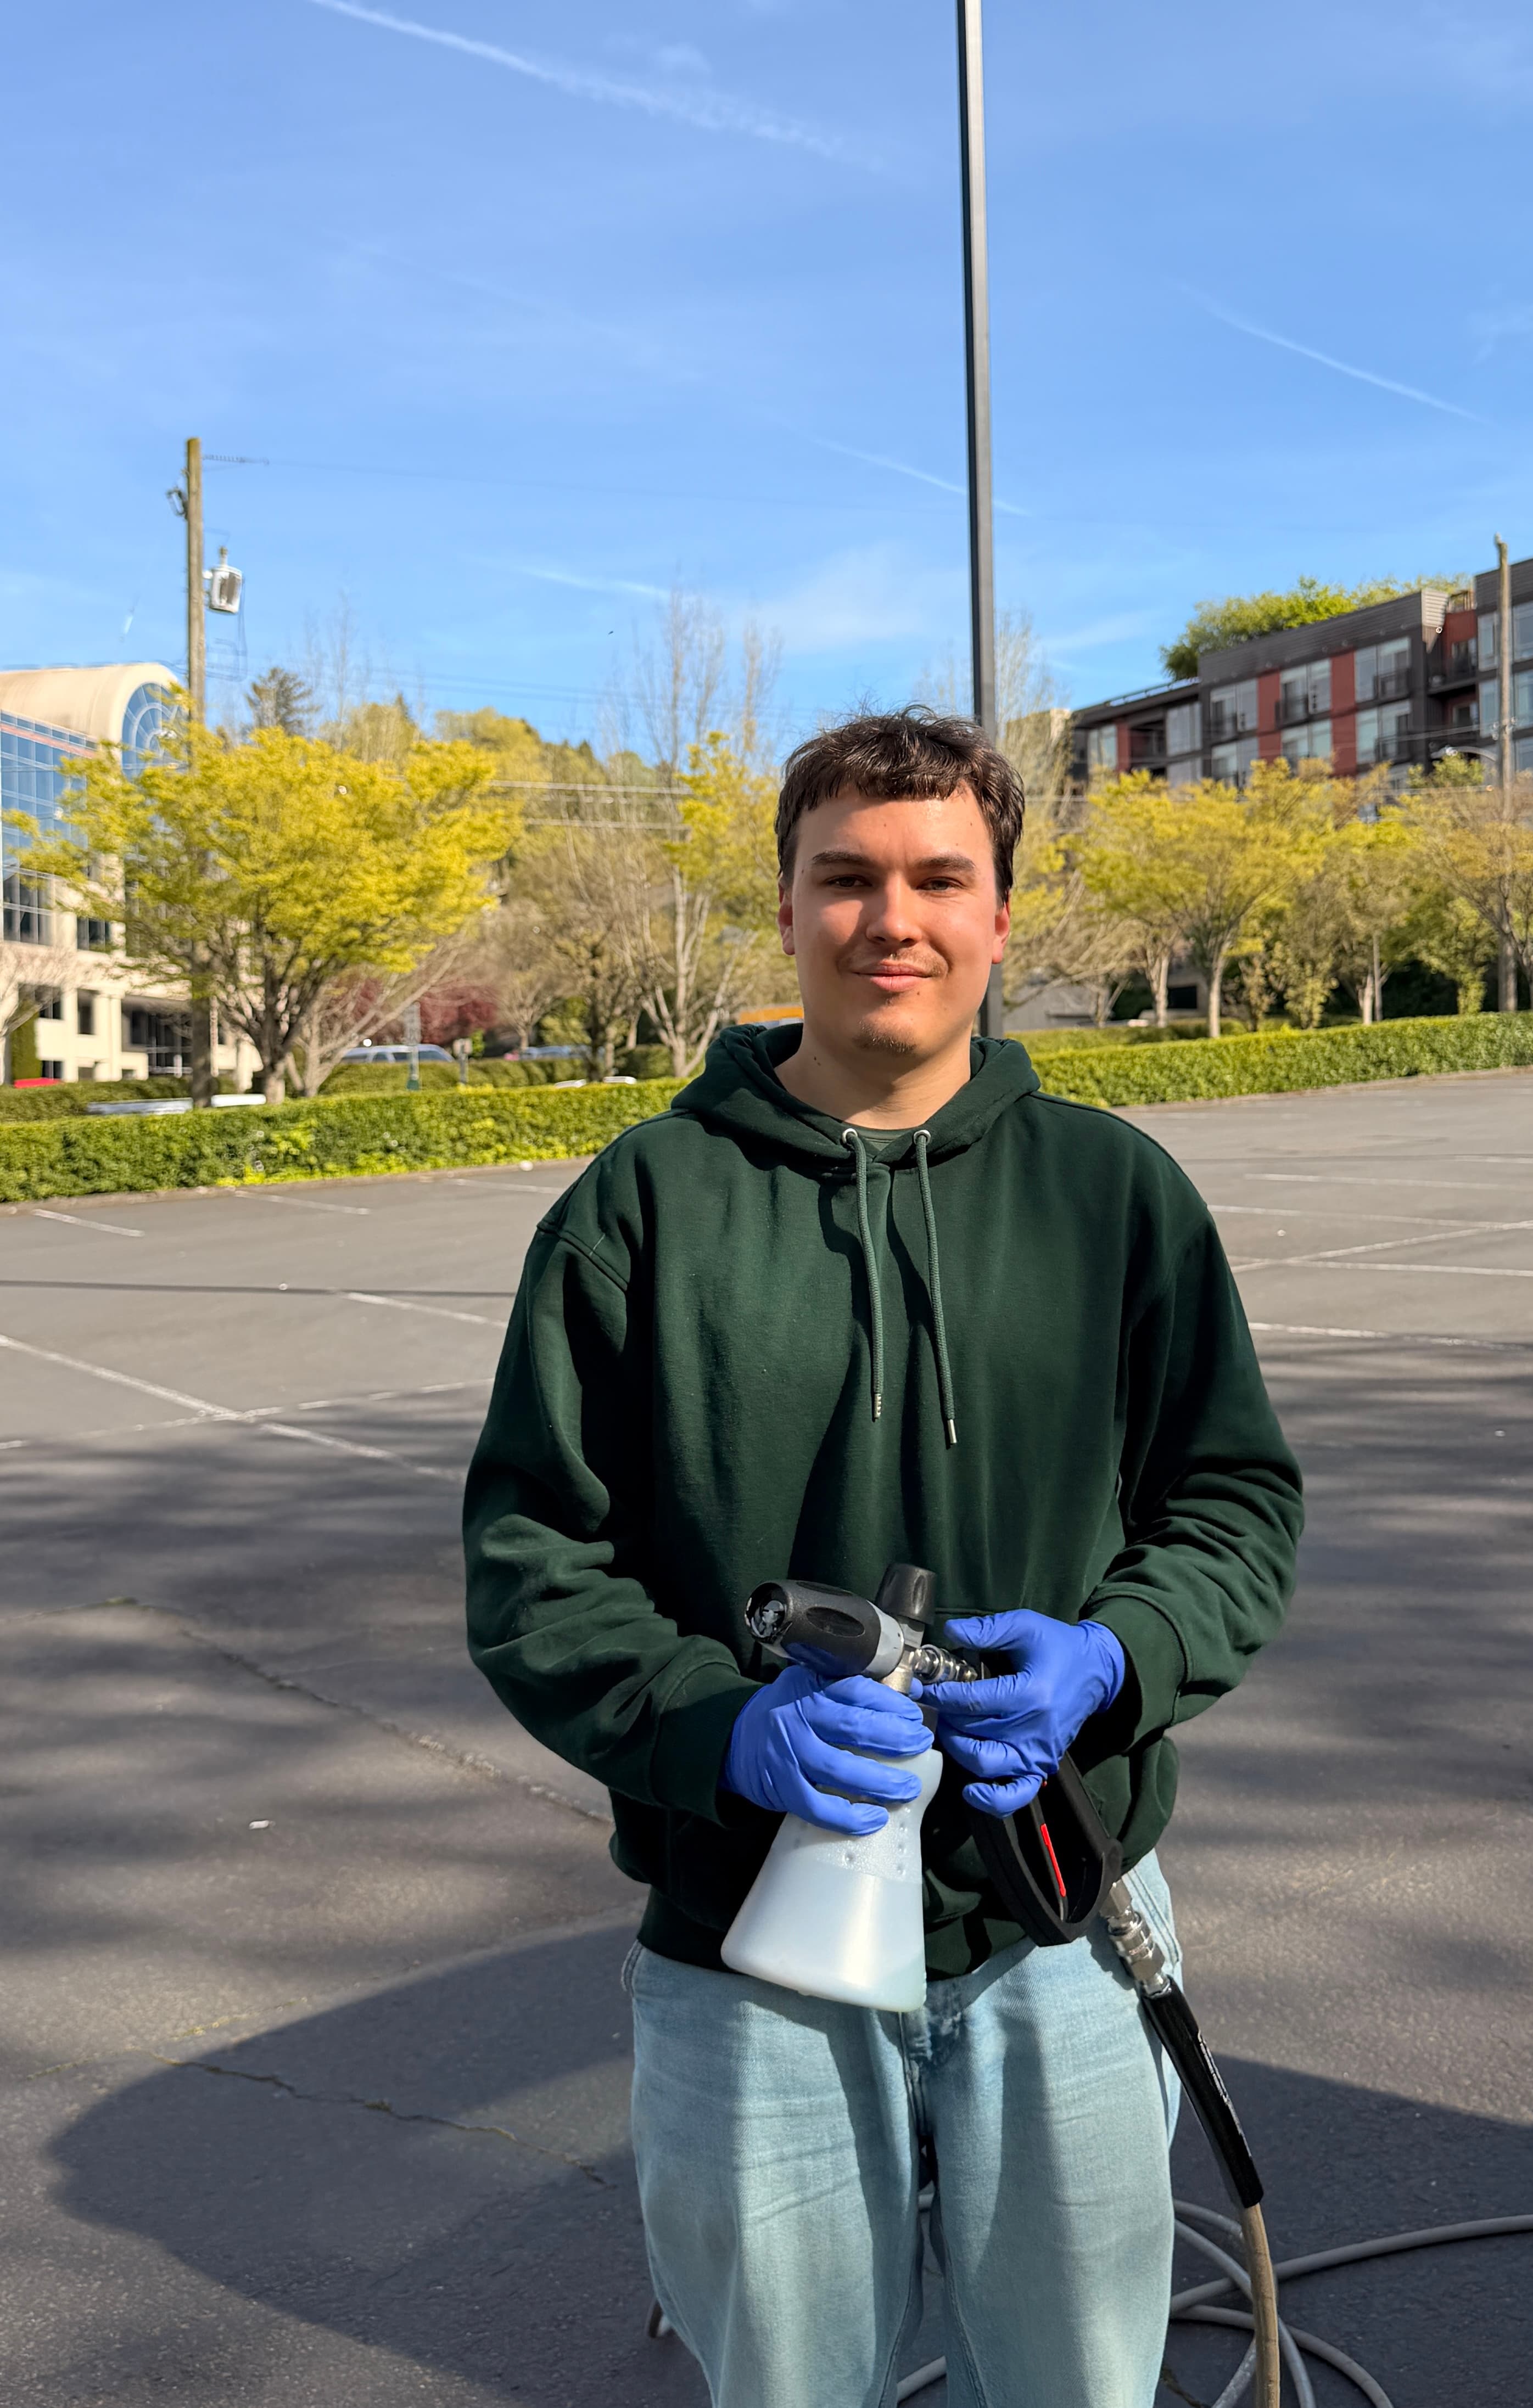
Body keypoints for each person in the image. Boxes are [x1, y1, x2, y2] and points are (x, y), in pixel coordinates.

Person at [463, 707, 1302, 2408]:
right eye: (845, 877)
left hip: (1059, 1913)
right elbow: (534, 1558)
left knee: (1077, 2384)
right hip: (748, 1946)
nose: (891, 918)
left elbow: (1231, 1502)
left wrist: (1115, 1657)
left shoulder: (1113, 1196)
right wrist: (719, 1730)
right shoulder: (641, 1208)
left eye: (939, 878)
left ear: (1002, 914)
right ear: (785, 908)